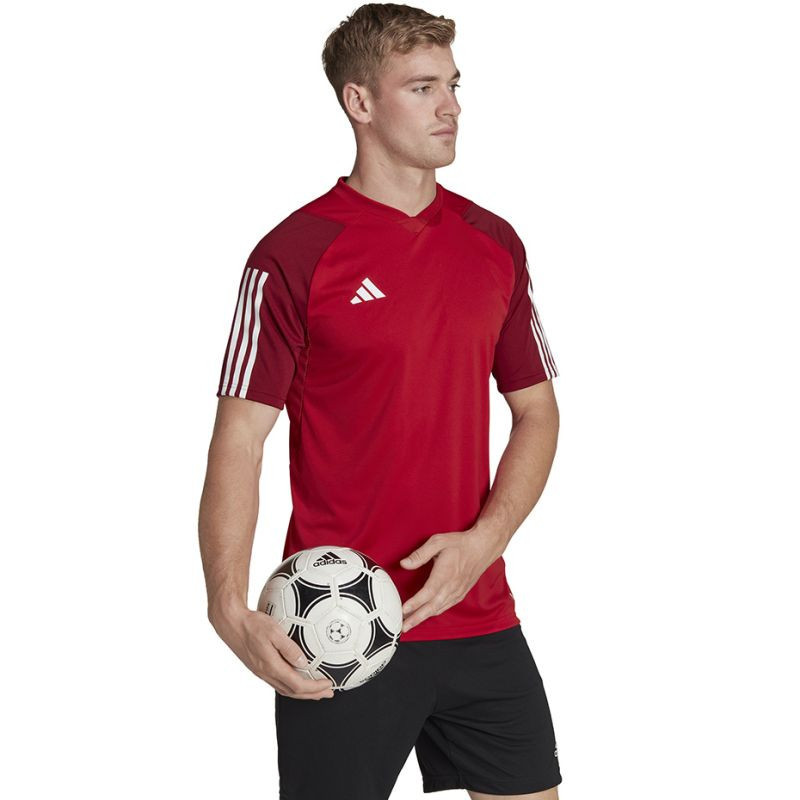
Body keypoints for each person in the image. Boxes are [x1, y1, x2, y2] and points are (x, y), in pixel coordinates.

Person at [198, 4, 563, 798]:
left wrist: (485, 541)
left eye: (454, 85)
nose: (451, 106)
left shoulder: (494, 241)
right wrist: (227, 607)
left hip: (479, 614)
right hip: (337, 627)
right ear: (359, 101)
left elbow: (537, 411)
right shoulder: (292, 255)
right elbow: (240, 440)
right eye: (423, 87)